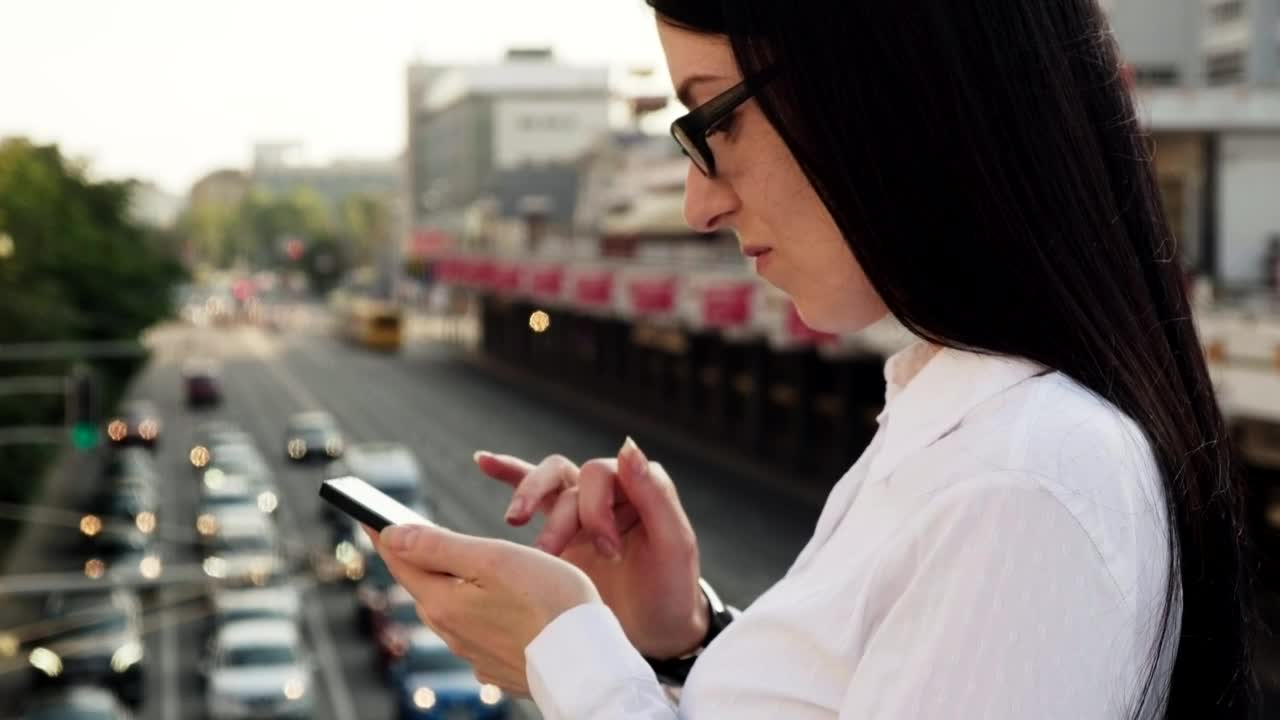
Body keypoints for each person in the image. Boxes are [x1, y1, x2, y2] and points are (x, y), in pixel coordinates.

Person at [370, 1, 1258, 717]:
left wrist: (570, 650)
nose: (698, 203)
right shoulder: (964, 429)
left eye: (714, 119)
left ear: (884, 81)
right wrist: (684, 643)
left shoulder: (1022, 483)